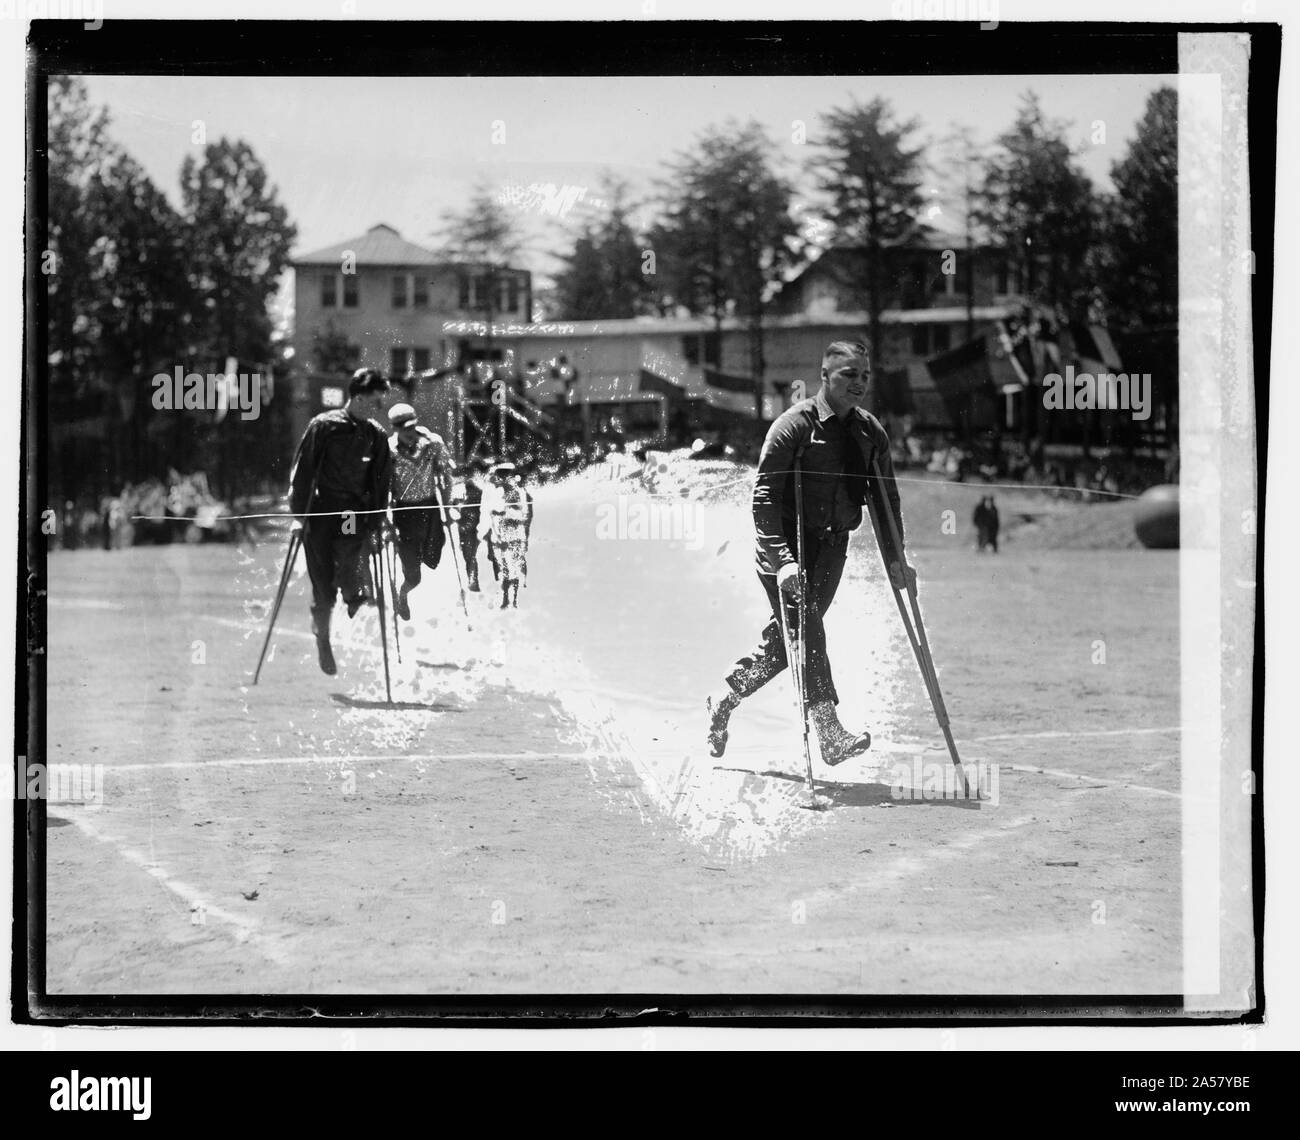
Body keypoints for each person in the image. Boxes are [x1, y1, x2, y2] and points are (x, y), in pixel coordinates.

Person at [704, 340, 915, 766]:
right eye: (848, 375)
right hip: (785, 547)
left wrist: (897, 559)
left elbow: (885, 502)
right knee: (807, 627)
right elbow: (764, 500)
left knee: (788, 644)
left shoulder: (870, 433)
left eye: (864, 376)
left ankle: (724, 698)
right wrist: (783, 564)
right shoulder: (793, 426)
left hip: (832, 550)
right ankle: (829, 730)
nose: (859, 384)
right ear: (825, 377)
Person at [288, 368, 392, 675]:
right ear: (358, 397)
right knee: (322, 586)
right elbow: (303, 472)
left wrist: (375, 522)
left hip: (350, 512)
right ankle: (323, 637)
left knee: (350, 549)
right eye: (375, 401)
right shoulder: (324, 426)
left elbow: (380, 482)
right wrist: (299, 517)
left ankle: (354, 593)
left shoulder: (375, 435)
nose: (379, 407)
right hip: (320, 512)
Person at [386, 402, 454, 620]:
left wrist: (448, 507)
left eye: (411, 426)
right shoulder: (388, 450)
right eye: (403, 428)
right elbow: (384, 486)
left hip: (430, 508)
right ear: (395, 428)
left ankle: (415, 570)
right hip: (404, 513)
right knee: (414, 576)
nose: (408, 432)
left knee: (433, 555)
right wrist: (385, 521)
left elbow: (446, 476)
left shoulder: (433, 443)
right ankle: (402, 594)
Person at [483, 462, 533, 609]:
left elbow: (523, 514)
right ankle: (506, 598)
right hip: (501, 535)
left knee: (514, 566)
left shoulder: (518, 492)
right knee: (505, 568)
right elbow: (492, 513)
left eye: (504, 476)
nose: (502, 479)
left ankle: (514, 598)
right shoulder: (498, 492)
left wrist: (504, 514)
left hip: (515, 534)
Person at [452, 460, 486, 592]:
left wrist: (461, 522)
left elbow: (472, 512)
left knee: (470, 555)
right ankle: (472, 580)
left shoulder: (474, 491)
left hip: (472, 528)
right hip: (467, 527)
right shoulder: (466, 490)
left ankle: (473, 581)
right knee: (469, 555)